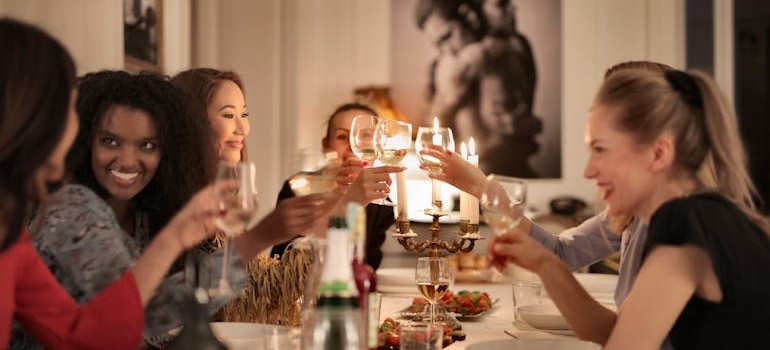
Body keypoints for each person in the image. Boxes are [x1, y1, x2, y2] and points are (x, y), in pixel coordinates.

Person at [490, 69, 770, 348]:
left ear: (659, 154)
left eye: (600, 149)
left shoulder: (684, 222)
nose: (588, 171)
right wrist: (546, 265)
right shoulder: (708, 215)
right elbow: (619, 332)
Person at [0, 18, 222, 349]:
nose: (74, 123)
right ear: (28, 115)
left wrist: (175, 236)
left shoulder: (10, 234)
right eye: (66, 108)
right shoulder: (70, 207)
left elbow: (86, 336)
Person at [270, 103, 405, 270]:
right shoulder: (298, 188)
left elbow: (367, 268)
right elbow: (282, 264)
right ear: (326, 145)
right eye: (342, 137)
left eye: (365, 136)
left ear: (378, 146)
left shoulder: (381, 206)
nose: (353, 146)